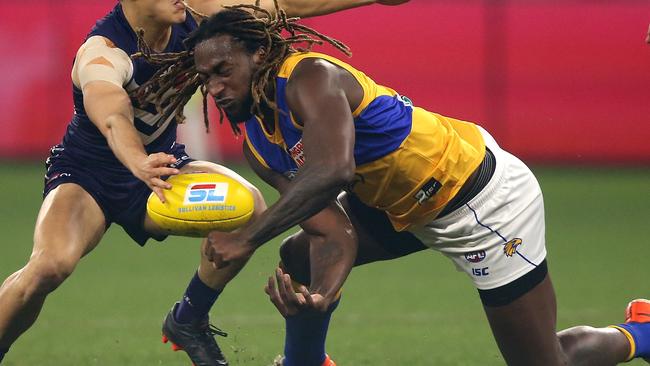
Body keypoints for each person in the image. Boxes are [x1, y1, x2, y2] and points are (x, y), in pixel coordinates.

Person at [180, 5, 650, 366]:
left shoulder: (310, 76)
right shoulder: (260, 145)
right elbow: (333, 230)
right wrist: (323, 293)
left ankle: (642, 334)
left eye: (224, 70)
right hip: (401, 207)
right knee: (299, 255)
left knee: (546, 362)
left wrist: (246, 237)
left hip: (482, 202)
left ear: (259, 54)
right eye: (206, 80)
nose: (216, 88)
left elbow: (333, 172)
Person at [0, 1, 407, 365]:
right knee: (49, 268)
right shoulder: (102, 53)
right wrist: (137, 160)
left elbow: (282, 5)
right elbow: (111, 115)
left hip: (160, 167)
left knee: (248, 209)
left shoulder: (195, 18)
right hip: (91, 173)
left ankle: (189, 318)